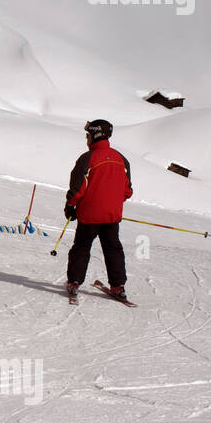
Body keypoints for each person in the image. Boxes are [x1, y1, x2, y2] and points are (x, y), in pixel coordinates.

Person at [64, 119, 134, 301]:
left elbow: (78, 188)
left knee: (81, 247)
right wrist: (111, 202)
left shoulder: (87, 158)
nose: (86, 139)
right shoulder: (121, 159)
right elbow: (127, 190)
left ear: (95, 135)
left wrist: (70, 205)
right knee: (113, 249)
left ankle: (74, 282)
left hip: (89, 216)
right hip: (112, 216)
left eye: (88, 135)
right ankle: (118, 286)